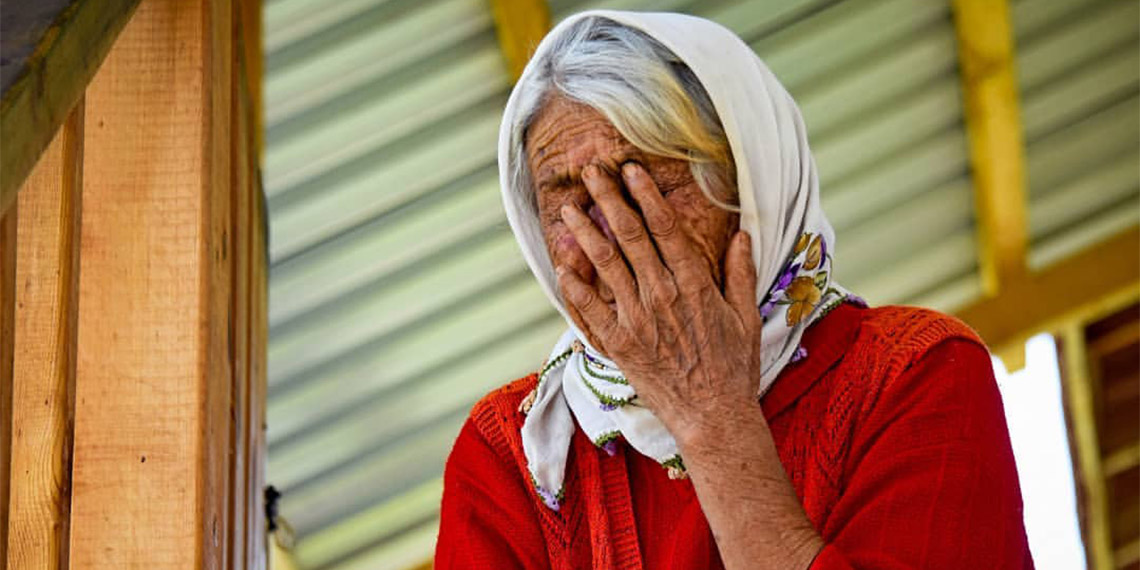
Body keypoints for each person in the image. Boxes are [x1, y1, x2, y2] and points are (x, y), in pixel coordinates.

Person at [435, 10, 1033, 570]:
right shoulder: (513, 458)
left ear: (753, 186)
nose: (609, 234)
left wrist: (711, 416)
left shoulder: (912, 374)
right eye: (565, 196)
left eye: (643, 181)